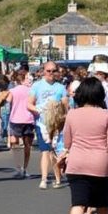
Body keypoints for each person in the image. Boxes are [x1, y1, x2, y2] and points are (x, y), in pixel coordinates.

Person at [60, 77, 108, 214]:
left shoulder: (72, 114)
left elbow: (67, 141)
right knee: (102, 204)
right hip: (100, 163)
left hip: (76, 162)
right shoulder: (105, 115)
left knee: (78, 203)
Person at [29, 61, 70, 189]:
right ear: (43, 71)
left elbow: (65, 106)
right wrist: (39, 110)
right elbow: (29, 104)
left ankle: (58, 178)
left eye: (54, 71)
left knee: (55, 152)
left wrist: (64, 116)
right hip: (42, 123)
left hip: (57, 124)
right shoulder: (37, 86)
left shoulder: (60, 87)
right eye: (48, 71)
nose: (51, 73)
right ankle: (44, 179)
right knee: (45, 151)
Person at [0, 68, 34, 179]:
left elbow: (6, 102)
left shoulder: (13, 91)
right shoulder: (31, 90)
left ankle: (19, 167)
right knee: (27, 145)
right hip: (28, 119)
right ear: (25, 79)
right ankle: (25, 168)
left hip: (15, 119)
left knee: (15, 144)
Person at [42, 99, 68, 190]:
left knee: (60, 162)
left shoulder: (65, 119)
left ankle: (59, 179)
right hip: (57, 144)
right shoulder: (51, 121)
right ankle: (58, 179)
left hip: (64, 144)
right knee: (54, 160)